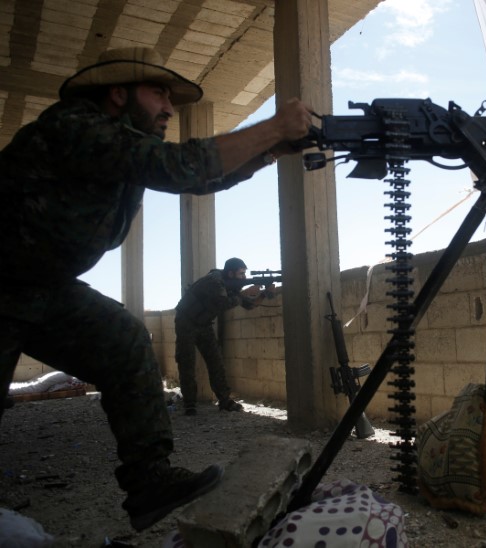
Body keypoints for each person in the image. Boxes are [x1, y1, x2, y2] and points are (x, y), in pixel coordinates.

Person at [0, 46, 312, 531]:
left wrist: (270, 152)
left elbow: (199, 181)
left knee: (125, 341)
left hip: (38, 288)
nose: (169, 108)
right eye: (158, 93)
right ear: (118, 95)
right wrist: (274, 126)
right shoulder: (75, 126)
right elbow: (180, 166)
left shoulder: (122, 155)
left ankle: (149, 482)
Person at [175, 257, 277, 415]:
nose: (244, 277)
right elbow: (222, 303)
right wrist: (244, 293)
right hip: (186, 322)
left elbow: (249, 306)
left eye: (245, 274)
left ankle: (224, 401)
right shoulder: (214, 281)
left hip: (204, 324)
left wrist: (264, 293)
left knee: (216, 361)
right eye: (241, 274)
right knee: (186, 362)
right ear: (230, 273)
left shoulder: (231, 285)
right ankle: (189, 404)